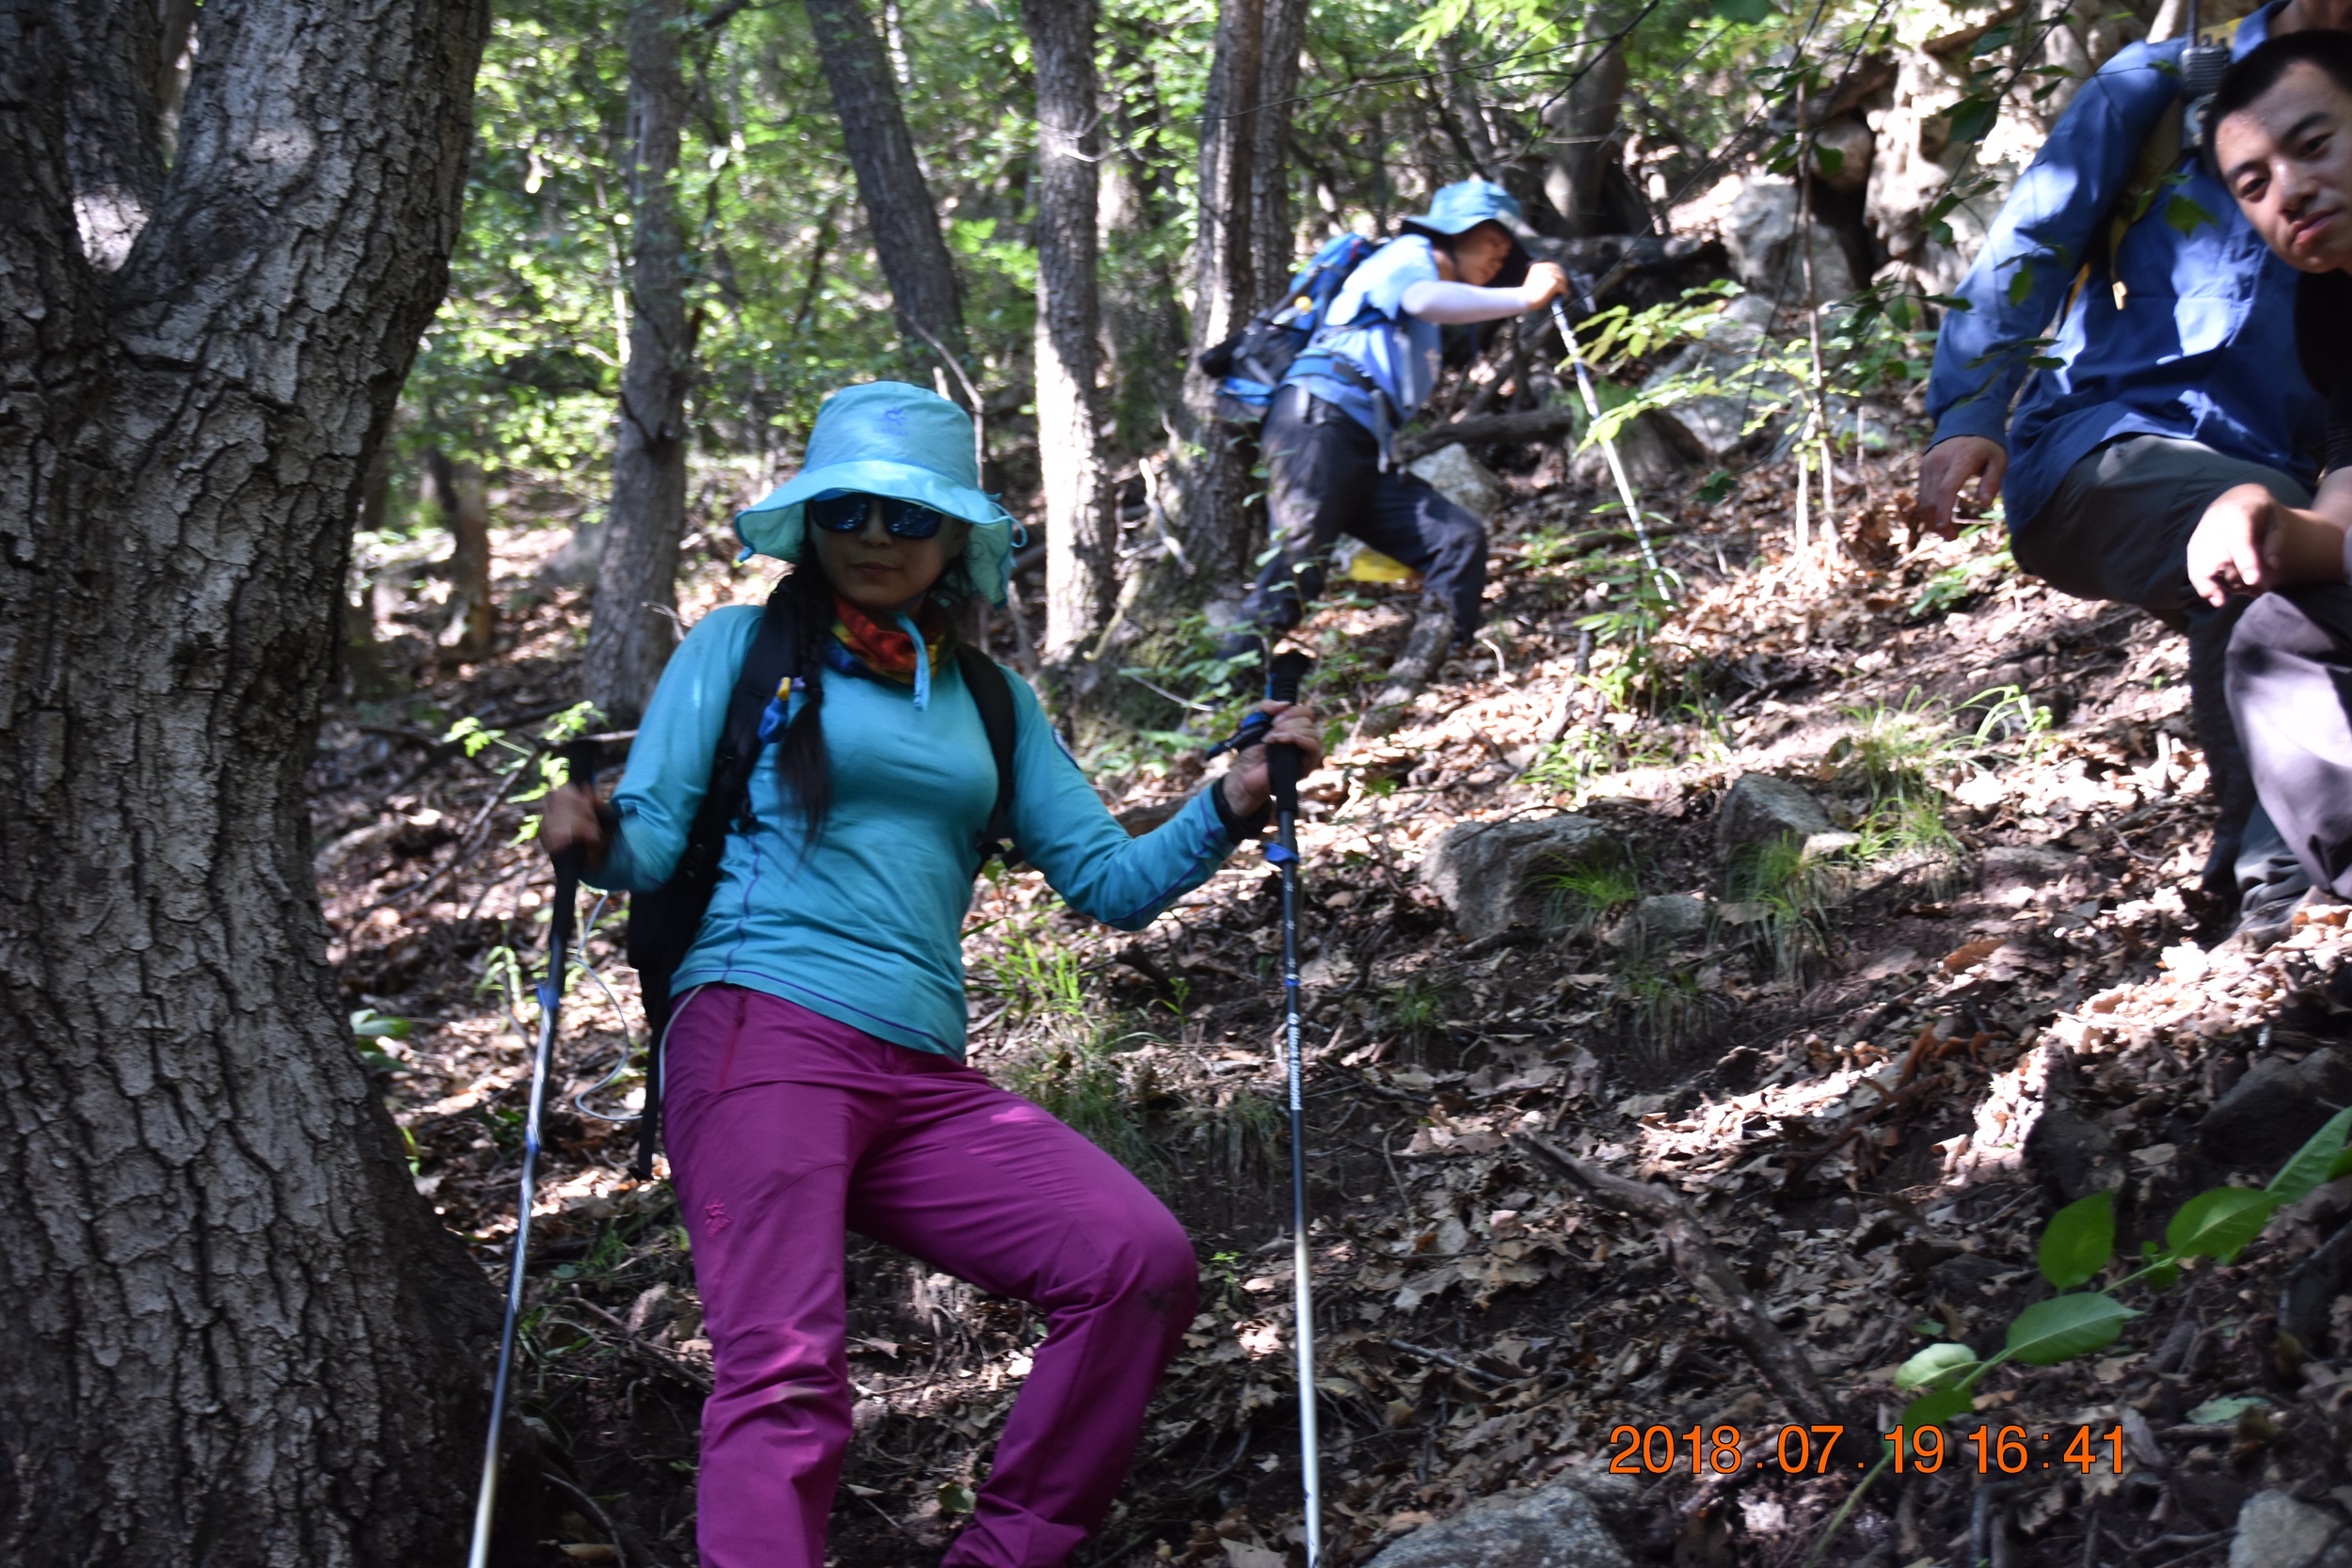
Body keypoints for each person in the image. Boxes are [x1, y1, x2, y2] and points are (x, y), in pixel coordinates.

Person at [539, 382, 1325, 1568]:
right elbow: (646, 843)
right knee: (786, 1370)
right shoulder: (739, 649)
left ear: (957, 538)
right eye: (847, 507)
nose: (873, 535)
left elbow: (1108, 882)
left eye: (909, 516)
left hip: (918, 1071)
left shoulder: (991, 702)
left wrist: (1233, 801)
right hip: (761, 1033)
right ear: (809, 522)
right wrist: (588, 834)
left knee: (1134, 1260)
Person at [1915, 0, 2352, 939]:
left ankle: (2255, 863)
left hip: (2285, 471)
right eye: (2254, 179)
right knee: (2259, 539)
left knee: (2285, 568)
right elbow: (2029, 241)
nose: (2288, 189)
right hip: (2101, 445)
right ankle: (2284, 887)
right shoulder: (2152, 90)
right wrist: (1970, 412)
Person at [1220, 178, 1570, 673]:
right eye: (1493, 240)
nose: (1500, 255)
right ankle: (1224, 693)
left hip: (1361, 445)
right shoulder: (1410, 255)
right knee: (1298, 567)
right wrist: (1524, 297)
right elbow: (1423, 299)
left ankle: (1445, 665)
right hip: (1318, 423)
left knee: (1456, 540)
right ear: (1454, 234)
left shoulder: (1428, 295)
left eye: (1508, 249)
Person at [2201, 32, 2352, 909]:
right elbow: (2339, 532)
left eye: (2315, 145)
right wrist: (2255, 511)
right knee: (2275, 639)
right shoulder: (2332, 315)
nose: (2288, 191)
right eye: (2253, 186)